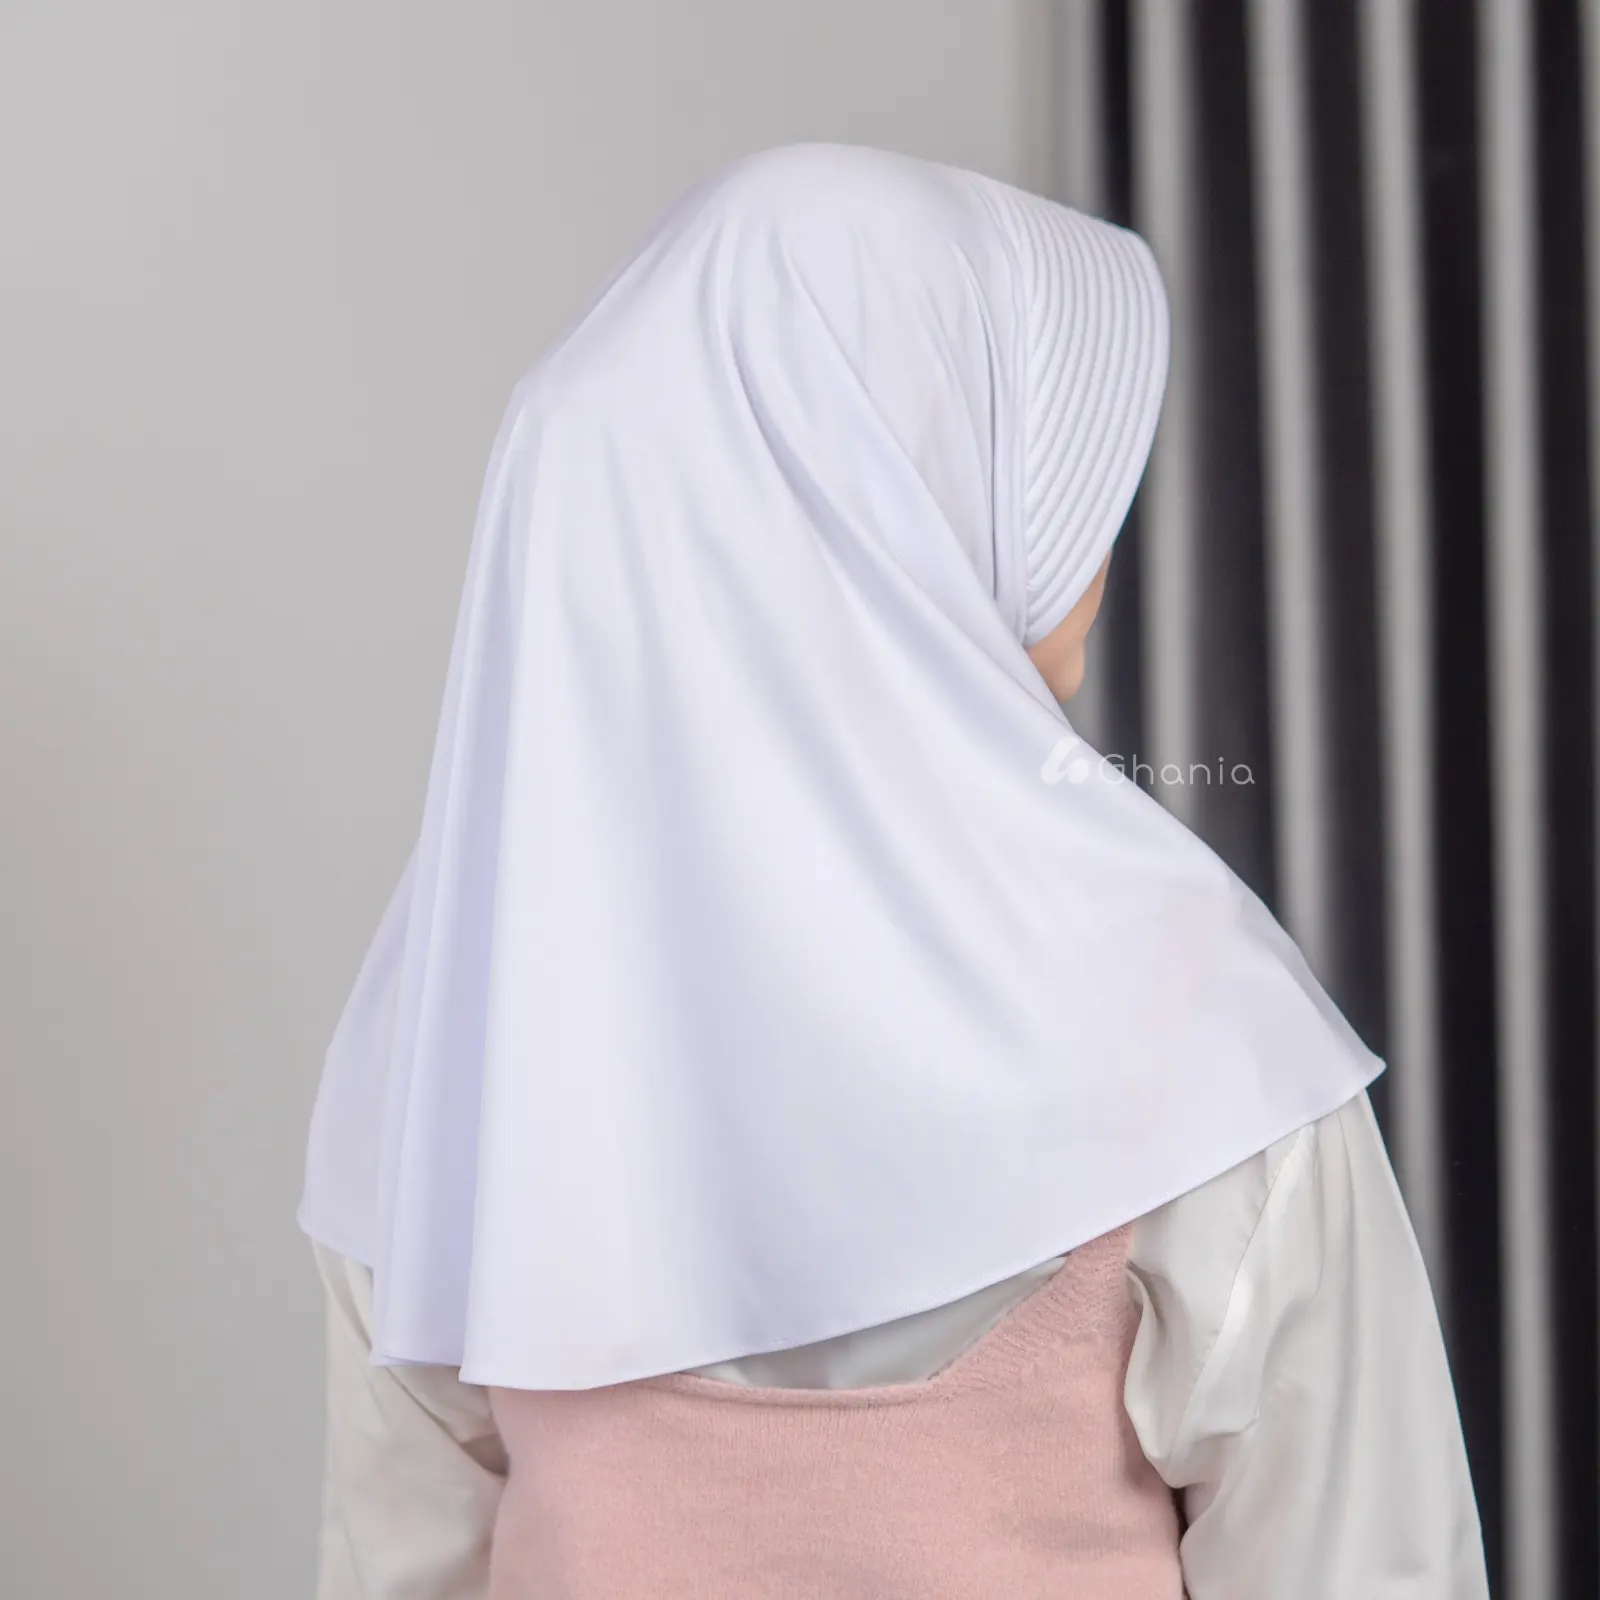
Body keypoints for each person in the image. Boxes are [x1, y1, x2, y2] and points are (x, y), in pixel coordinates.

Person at [298, 142, 1488, 1598]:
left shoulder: (454, 1015)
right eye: (1031, 464)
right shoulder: (1189, 1019)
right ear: (881, 506)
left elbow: (399, 1564)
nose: (1094, 546)